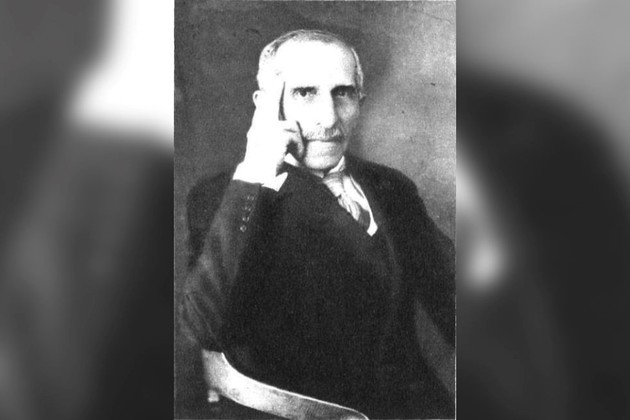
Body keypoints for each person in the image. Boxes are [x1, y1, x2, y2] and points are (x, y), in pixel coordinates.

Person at [180, 29, 455, 419]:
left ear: (360, 101)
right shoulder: (224, 196)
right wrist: (255, 171)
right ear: (266, 105)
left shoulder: (391, 187)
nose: (328, 118)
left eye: (342, 93)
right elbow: (203, 328)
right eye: (305, 93)